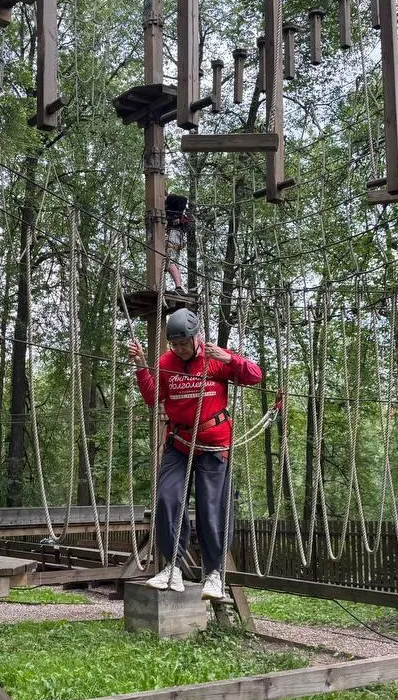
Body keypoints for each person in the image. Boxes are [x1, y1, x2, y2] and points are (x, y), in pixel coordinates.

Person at [128, 308, 263, 600]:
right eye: (174, 345)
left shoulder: (215, 358)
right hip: (179, 443)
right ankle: (173, 568)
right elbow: (153, 398)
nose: (179, 349)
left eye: (183, 344)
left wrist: (231, 359)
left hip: (214, 446)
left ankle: (213, 573)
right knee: (167, 498)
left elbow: (255, 376)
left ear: (197, 337)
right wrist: (141, 366)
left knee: (211, 508)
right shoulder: (167, 362)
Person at [164, 193, 193, 294]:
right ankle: (178, 286)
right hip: (176, 235)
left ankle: (179, 287)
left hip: (174, 234)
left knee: (169, 261)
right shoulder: (167, 207)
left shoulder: (169, 200)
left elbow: (183, 198)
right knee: (173, 262)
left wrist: (177, 216)